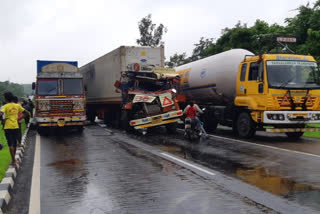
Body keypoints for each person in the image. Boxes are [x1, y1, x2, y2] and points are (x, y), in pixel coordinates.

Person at [0, 92, 29, 165]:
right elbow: (26, 113)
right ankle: (14, 159)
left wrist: (3, 120)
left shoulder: (5, 106)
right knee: (15, 143)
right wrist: (19, 118)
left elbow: (0, 114)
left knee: (10, 144)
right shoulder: (17, 106)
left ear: (6, 98)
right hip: (15, 126)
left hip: (7, 127)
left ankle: (13, 161)